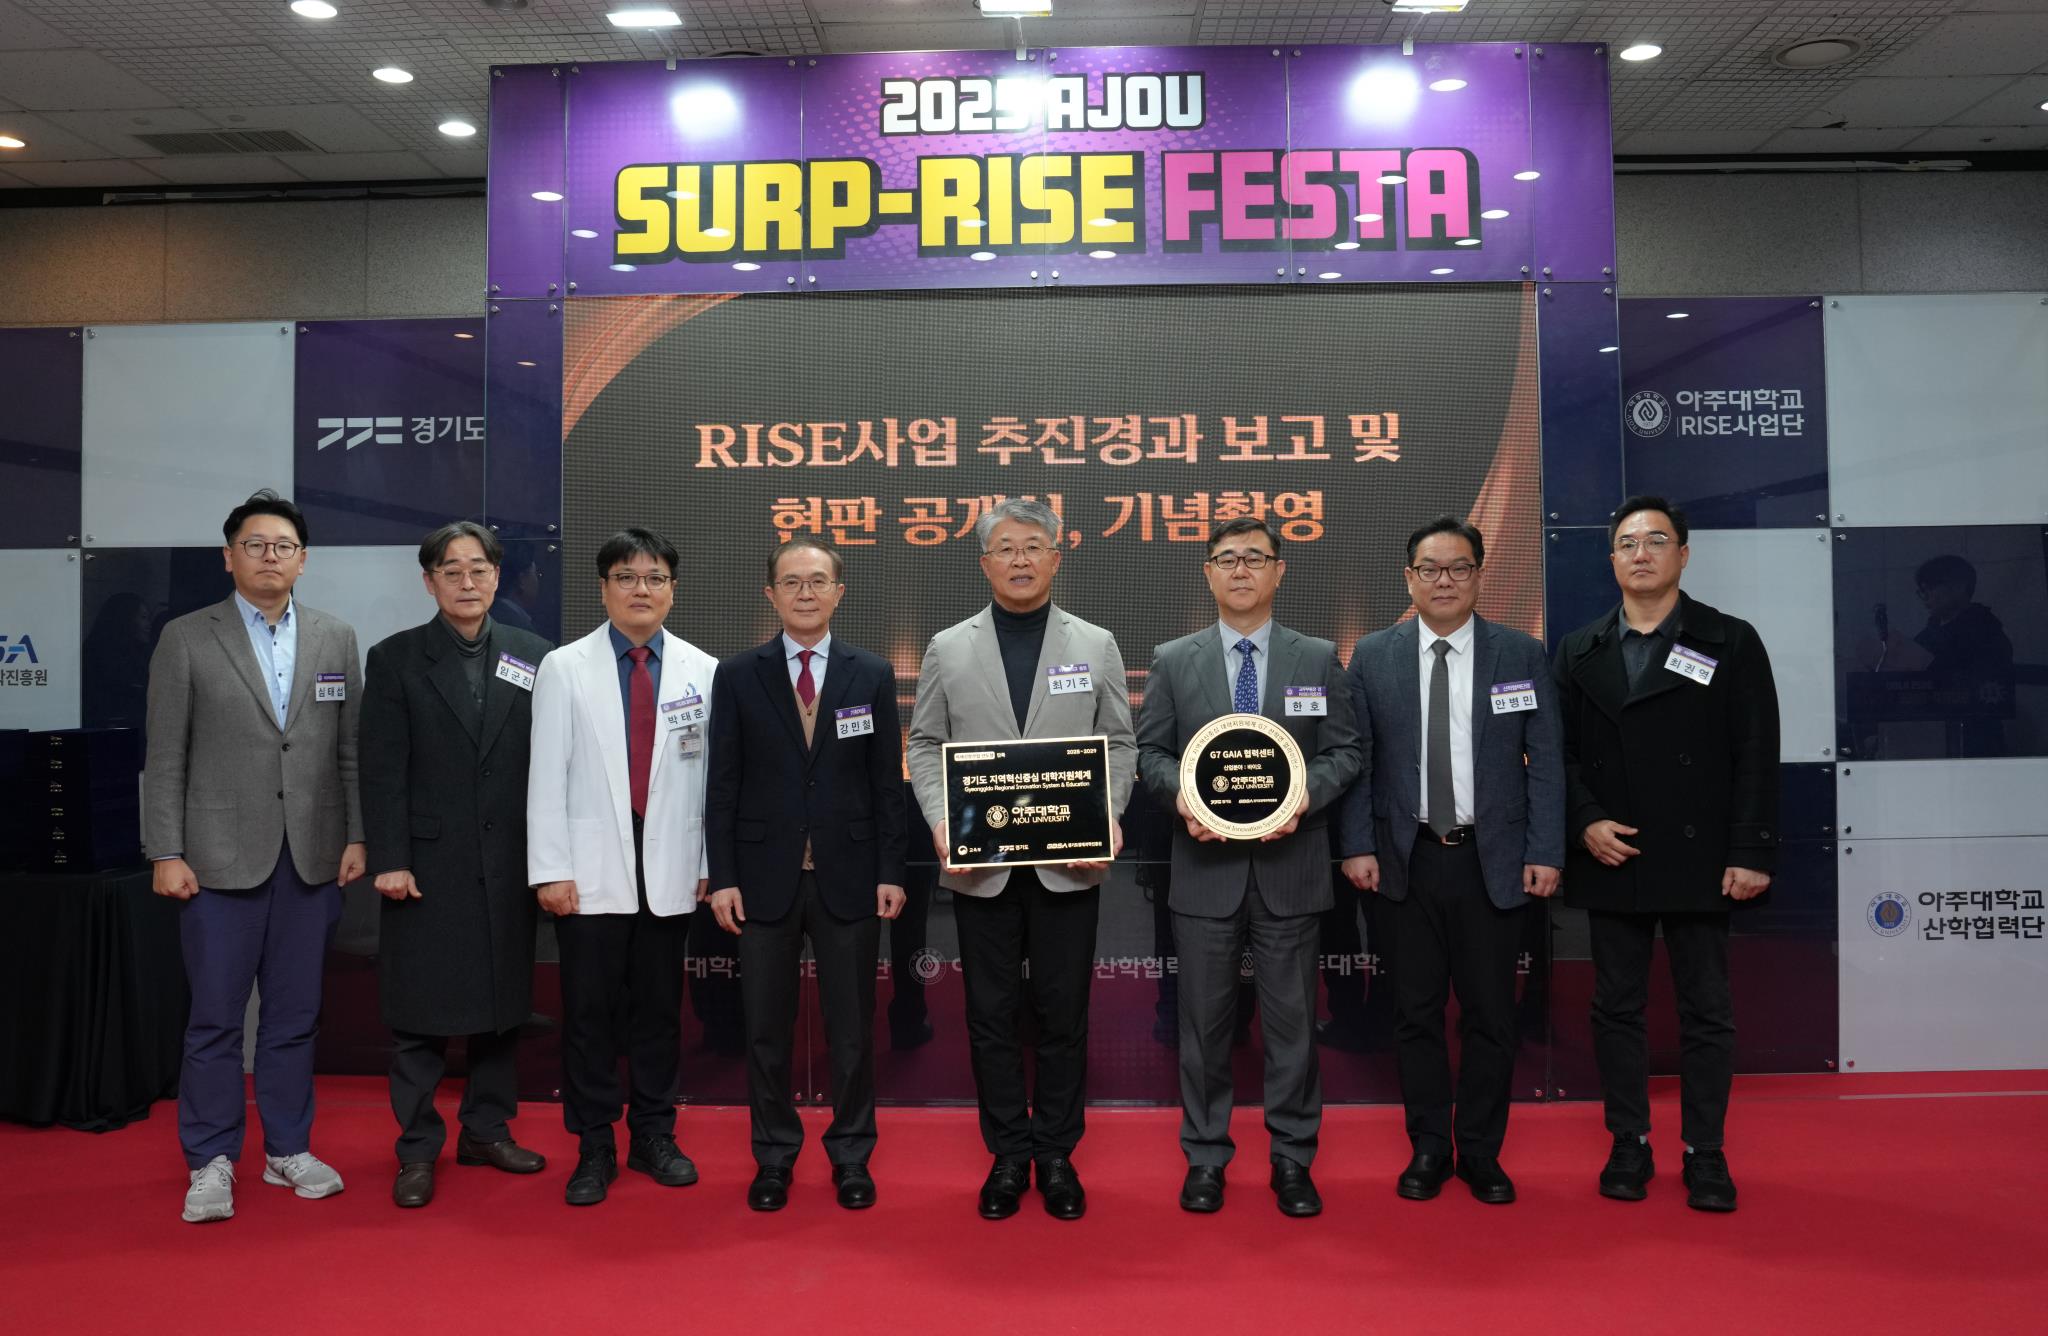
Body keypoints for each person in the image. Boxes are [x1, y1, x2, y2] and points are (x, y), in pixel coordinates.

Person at [906, 498, 1135, 1221]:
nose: (1020, 560)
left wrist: (1107, 811)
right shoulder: (948, 647)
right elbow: (924, 744)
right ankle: (1008, 1153)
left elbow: (1119, 741)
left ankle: (1057, 1153)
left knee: (1064, 1013)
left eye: (1033, 546)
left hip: (1069, 863)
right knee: (990, 1015)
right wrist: (941, 820)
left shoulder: (1095, 642)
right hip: (983, 865)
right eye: (1005, 548)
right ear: (985, 562)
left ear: (1057, 557)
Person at [143, 489, 366, 1224]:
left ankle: (287, 1149)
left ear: (304, 560)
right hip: (214, 861)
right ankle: (209, 1159)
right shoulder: (186, 637)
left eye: (284, 546)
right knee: (214, 1020)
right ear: (228, 556)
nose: (271, 556)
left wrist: (356, 834)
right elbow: (164, 756)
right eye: (255, 544)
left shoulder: (336, 637)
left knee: (294, 1018)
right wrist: (165, 850)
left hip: (311, 858)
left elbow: (348, 750)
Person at [1553, 495, 1779, 1213]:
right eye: (1627, 543)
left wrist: (1750, 850)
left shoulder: (1730, 639)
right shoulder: (1580, 648)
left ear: (1683, 553)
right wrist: (1585, 822)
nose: (1641, 554)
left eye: (1656, 540)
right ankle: (1630, 1140)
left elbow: (1756, 751)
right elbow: (1556, 754)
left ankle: (1704, 1150)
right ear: (1612, 560)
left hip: (1700, 854)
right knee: (1615, 1007)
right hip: (1612, 850)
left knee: (1706, 1009)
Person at [1135, 516, 1361, 1217]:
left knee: (1293, 1026)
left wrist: (1302, 797)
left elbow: (1345, 752)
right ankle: (1205, 1157)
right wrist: (1183, 798)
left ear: (1279, 571)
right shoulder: (1174, 660)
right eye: (1227, 558)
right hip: (1205, 870)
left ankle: (1293, 1158)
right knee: (1204, 1028)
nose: (1241, 570)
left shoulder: (1317, 657)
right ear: (1208, 572)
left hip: (1291, 866)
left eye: (1255, 558)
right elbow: (1151, 754)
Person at [1337, 516, 1563, 1206]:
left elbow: (1547, 760)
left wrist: (1545, 849)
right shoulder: (1373, 655)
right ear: (1408, 578)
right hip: (1404, 860)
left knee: (1492, 1015)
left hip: (1492, 861)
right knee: (1414, 1013)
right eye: (1430, 569)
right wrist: (1357, 844)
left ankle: (1483, 1152)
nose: (1444, 581)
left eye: (1459, 568)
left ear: (1478, 575)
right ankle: (1430, 1147)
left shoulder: (1519, 654)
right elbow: (1358, 759)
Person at [705, 538, 908, 1212]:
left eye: (818, 581)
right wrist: (723, 875)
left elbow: (886, 786)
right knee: (766, 1032)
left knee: (852, 1033)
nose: (805, 593)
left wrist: (890, 869)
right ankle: (773, 1158)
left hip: (850, 877)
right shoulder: (739, 675)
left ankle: (852, 1156)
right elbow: (722, 785)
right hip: (762, 879)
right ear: (771, 594)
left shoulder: (870, 672)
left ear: (839, 592)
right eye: (791, 582)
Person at [360, 520, 555, 1208]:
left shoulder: (536, 655)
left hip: (508, 862)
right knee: (420, 1017)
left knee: (502, 1010)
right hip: (426, 866)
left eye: (479, 569)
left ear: (497, 577)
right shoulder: (395, 659)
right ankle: (417, 1149)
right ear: (429, 582)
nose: (467, 582)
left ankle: (485, 1131)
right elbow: (381, 770)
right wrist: (390, 858)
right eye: (452, 571)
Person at [527, 528, 717, 1206]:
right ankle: (594, 1144)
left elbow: (711, 783)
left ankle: (654, 1135)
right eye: (627, 577)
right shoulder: (564, 667)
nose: (642, 589)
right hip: (588, 873)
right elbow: (545, 775)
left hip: (670, 869)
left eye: (655, 577)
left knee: (660, 1015)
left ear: (673, 590)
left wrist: (707, 862)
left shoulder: (702, 669)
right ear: (604, 587)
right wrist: (550, 869)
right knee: (589, 1017)